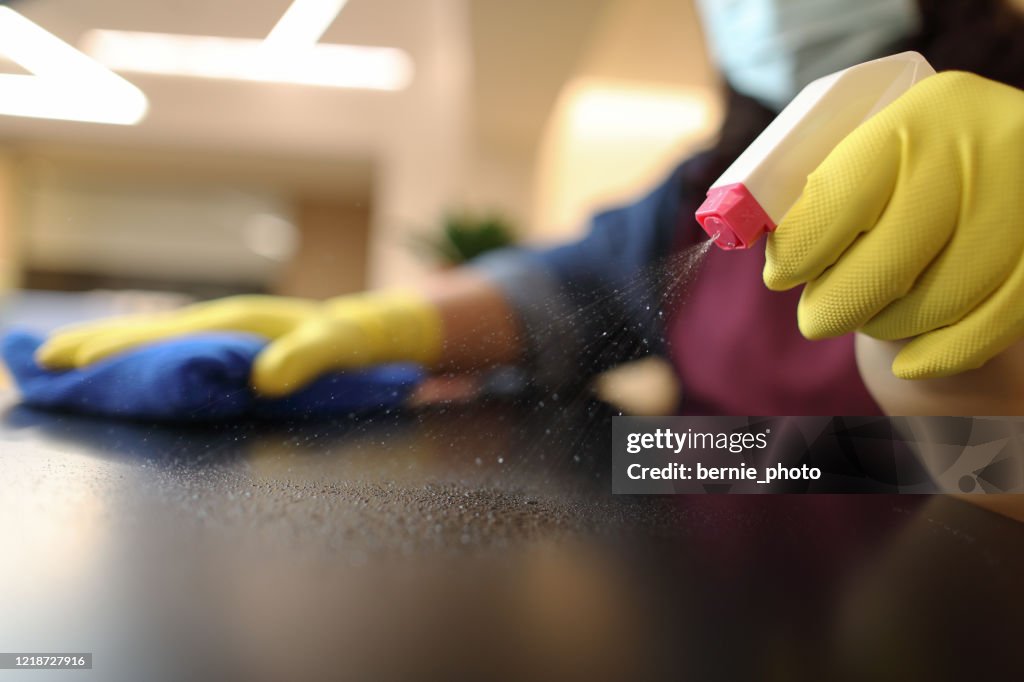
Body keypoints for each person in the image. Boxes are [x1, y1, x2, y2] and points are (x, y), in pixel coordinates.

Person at [35, 0, 1024, 416]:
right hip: (713, 599)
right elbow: (573, 286)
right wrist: (378, 322)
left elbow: (983, 470)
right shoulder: (706, 186)